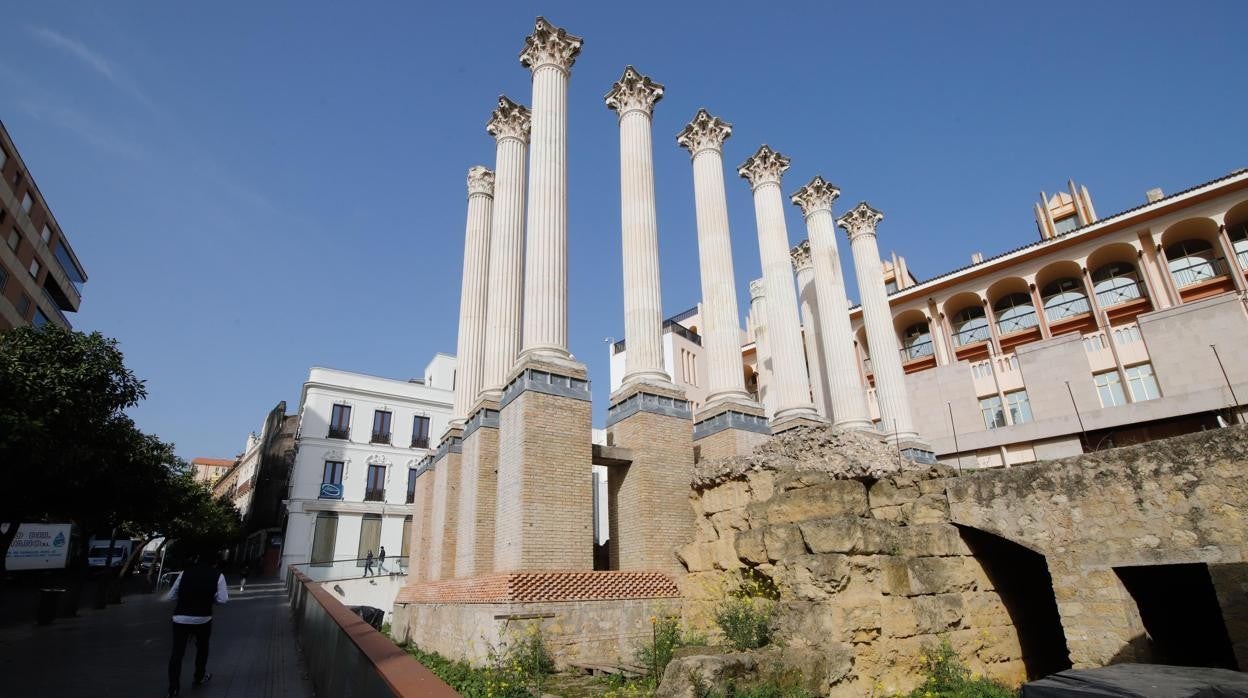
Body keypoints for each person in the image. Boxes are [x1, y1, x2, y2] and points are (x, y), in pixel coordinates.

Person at [165, 548, 228, 697]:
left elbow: (171, 596)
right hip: (203, 618)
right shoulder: (218, 575)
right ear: (215, 561)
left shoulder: (184, 573)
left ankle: (173, 688)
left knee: (177, 654)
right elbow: (223, 599)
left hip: (180, 617)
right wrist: (208, 599)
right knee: (202, 648)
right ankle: (199, 676)